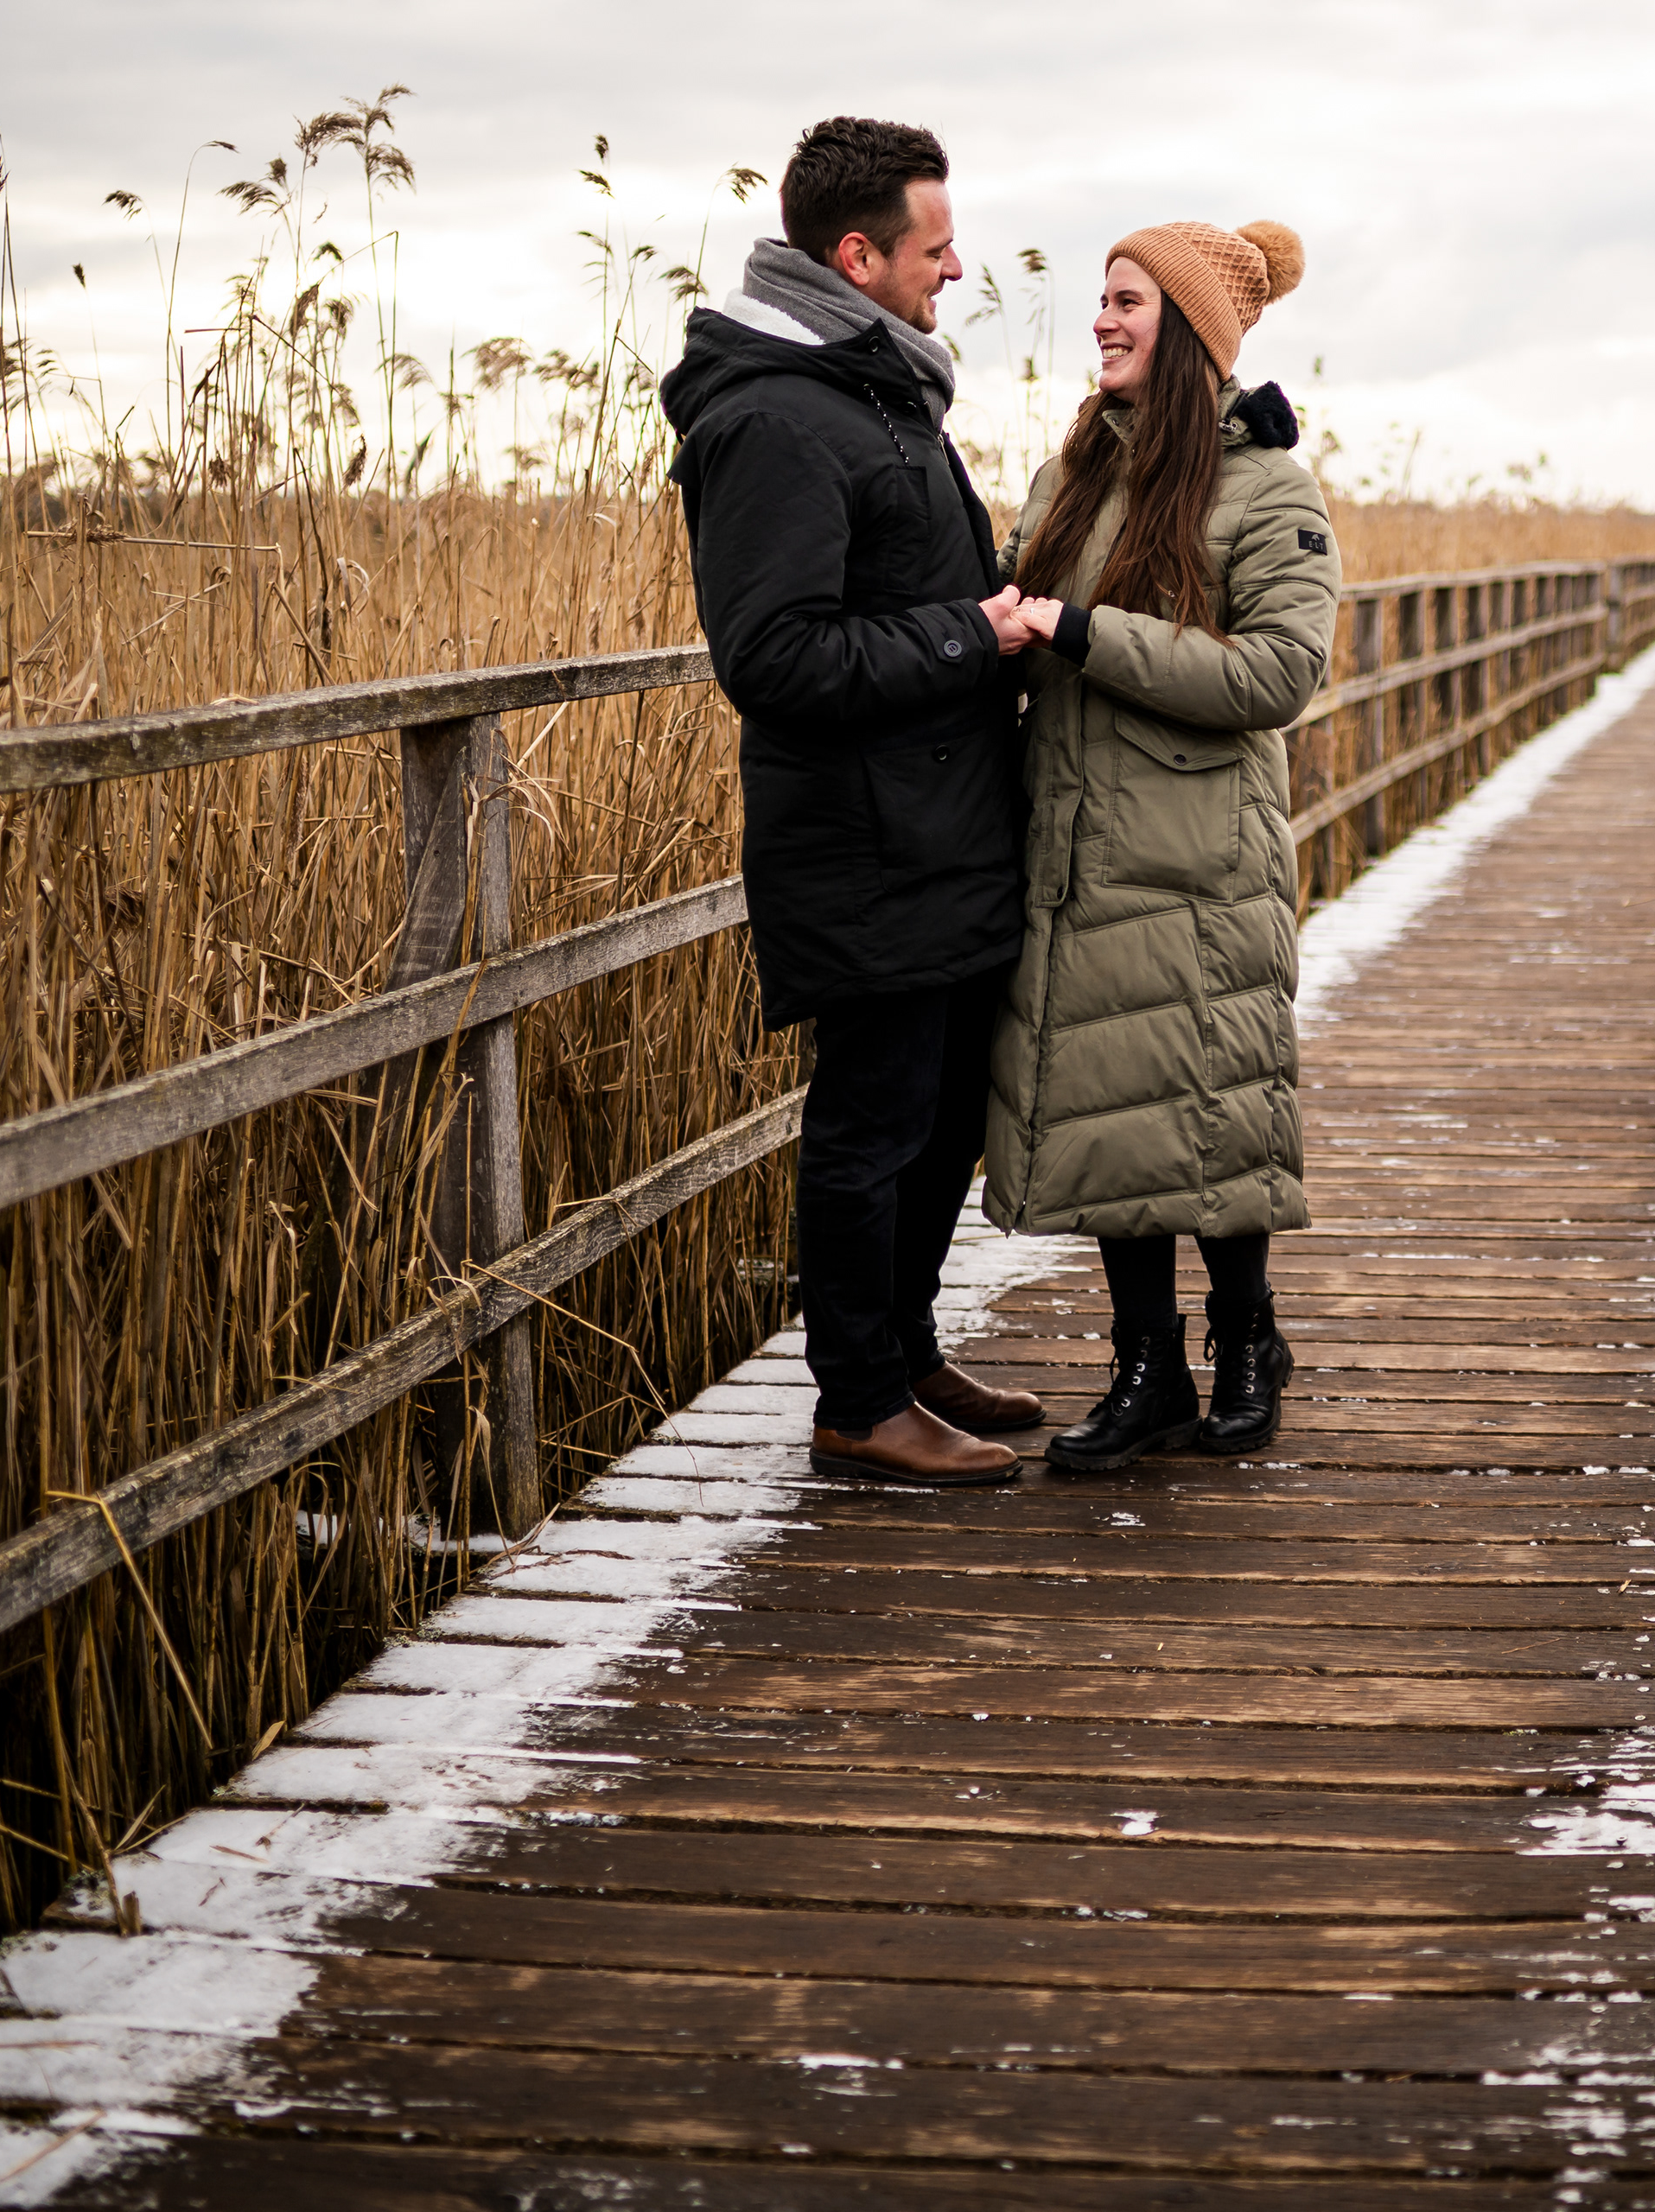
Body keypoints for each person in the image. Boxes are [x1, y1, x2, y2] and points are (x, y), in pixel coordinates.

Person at [659, 118, 1045, 1486]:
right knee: (874, 1122)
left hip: (941, 829)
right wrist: (970, 637)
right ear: (858, 253)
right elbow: (771, 658)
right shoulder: (774, 416)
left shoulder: (880, 391)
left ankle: (905, 1351)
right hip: (864, 840)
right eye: (936, 250)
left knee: (943, 1115)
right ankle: (857, 1405)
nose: (957, 271)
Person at [981, 219, 1338, 1471]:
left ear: (1187, 329)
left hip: (1198, 860)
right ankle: (1147, 1374)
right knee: (1102, 1115)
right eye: (1100, 300)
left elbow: (1281, 673)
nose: (1102, 321)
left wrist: (1083, 633)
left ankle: (1248, 1347)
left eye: (1128, 302)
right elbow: (1016, 588)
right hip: (1074, 849)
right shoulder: (1076, 471)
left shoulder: (1268, 487)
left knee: (1213, 1110)